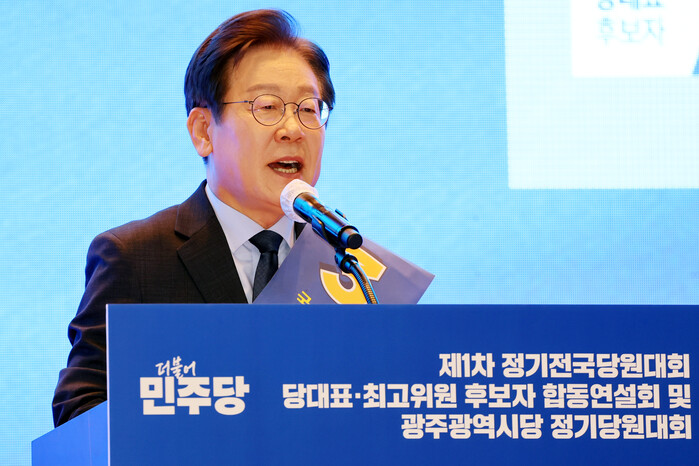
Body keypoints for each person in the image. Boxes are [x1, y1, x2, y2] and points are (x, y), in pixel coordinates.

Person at [52, 9, 335, 427]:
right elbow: (80, 412)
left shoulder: (348, 266)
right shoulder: (134, 258)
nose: (293, 128)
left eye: (309, 109)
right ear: (203, 130)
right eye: (268, 106)